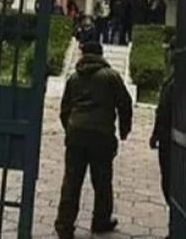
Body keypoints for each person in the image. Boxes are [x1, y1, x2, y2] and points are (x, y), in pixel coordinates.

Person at [55, 41, 133, 239]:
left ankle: (64, 225)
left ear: (83, 54)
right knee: (102, 181)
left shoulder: (74, 78)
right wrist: (124, 130)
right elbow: (125, 103)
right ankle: (100, 220)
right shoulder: (111, 76)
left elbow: (65, 109)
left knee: (72, 180)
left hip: (76, 135)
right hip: (101, 135)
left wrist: (70, 128)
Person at [151, 55, 176, 239]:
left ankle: (177, 228)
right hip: (168, 138)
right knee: (168, 183)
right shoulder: (172, 82)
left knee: (172, 184)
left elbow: (163, 112)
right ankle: (175, 226)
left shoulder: (177, 84)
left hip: (172, 140)